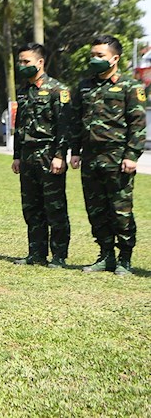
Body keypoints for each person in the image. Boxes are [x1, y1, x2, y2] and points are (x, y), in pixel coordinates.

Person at [70, 35, 146, 275]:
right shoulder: (83, 86)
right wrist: (75, 151)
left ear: (115, 58)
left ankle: (125, 258)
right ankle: (105, 255)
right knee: (96, 209)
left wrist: (132, 155)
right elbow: (75, 121)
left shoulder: (130, 86)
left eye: (99, 56)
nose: (94, 59)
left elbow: (138, 124)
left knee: (120, 209)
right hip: (90, 158)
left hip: (117, 157)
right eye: (92, 55)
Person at [11, 43, 71, 268]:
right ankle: (36, 253)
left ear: (40, 62)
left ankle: (59, 255)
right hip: (27, 157)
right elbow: (19, 127)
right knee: (31, 207)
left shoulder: (58, 90)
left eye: (26, 61)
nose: (22, 65)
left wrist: (60, 155)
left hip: (49, 156)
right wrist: (17, 155)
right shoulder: (23, 91)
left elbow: (64, 126)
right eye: (20, 62)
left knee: (54, 207)